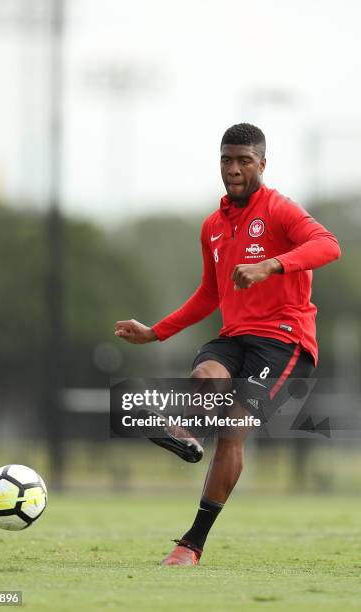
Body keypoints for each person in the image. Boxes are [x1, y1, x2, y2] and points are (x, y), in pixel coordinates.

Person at [114, 123, 341, 566]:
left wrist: (271, 265)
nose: (234, 169)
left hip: (285, 343)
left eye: (243, 160)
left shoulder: (280, 210)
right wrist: (154, 331)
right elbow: (209, 295)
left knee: (233, 428)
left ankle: (190, 545)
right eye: (226, 160)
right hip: (236, 338)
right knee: (204, 377)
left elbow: (328, 245)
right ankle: (189, 436)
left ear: (262, 163)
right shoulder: (213, 226)